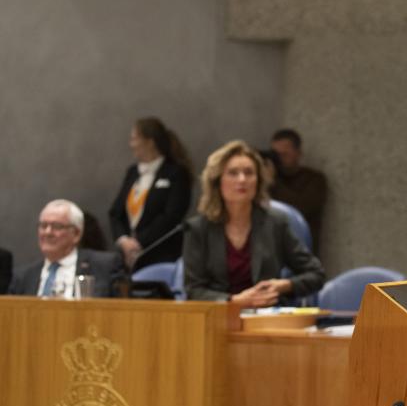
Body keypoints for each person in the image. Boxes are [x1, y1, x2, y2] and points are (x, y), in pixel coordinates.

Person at [182, 140, 325, 307]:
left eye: (249, 173)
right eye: (233, 173)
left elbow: (316, 274)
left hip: (266, 318)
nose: (242, 180)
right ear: (217, 181)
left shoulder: (276, 222)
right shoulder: (198, 228)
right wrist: (236, 301)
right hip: (219, 318)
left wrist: (284, 286)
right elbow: (193, 290)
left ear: (258, 181)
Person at [109, 117, 193, 271]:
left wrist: (139, 242)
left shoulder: (176, 173)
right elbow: (116, 213)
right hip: (128, 258)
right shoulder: (133, 172)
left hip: (161, 256)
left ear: (150, 141)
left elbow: (172, 216)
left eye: (134, 138)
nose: (131, 144)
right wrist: (124, 241)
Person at [7, 199, 123, 298]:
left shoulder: (104, 267)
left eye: (57, 226)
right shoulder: (23, 276)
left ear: (77, 234)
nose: (48, 232)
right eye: (43, 226)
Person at [269, 129, 326, 256]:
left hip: (301, 251)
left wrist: (274, 182)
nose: (279, 160)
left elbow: (300, 208)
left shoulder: (314, 179)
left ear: (298, 153)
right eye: (275, 155)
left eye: (284, 154)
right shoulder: (267, 181)